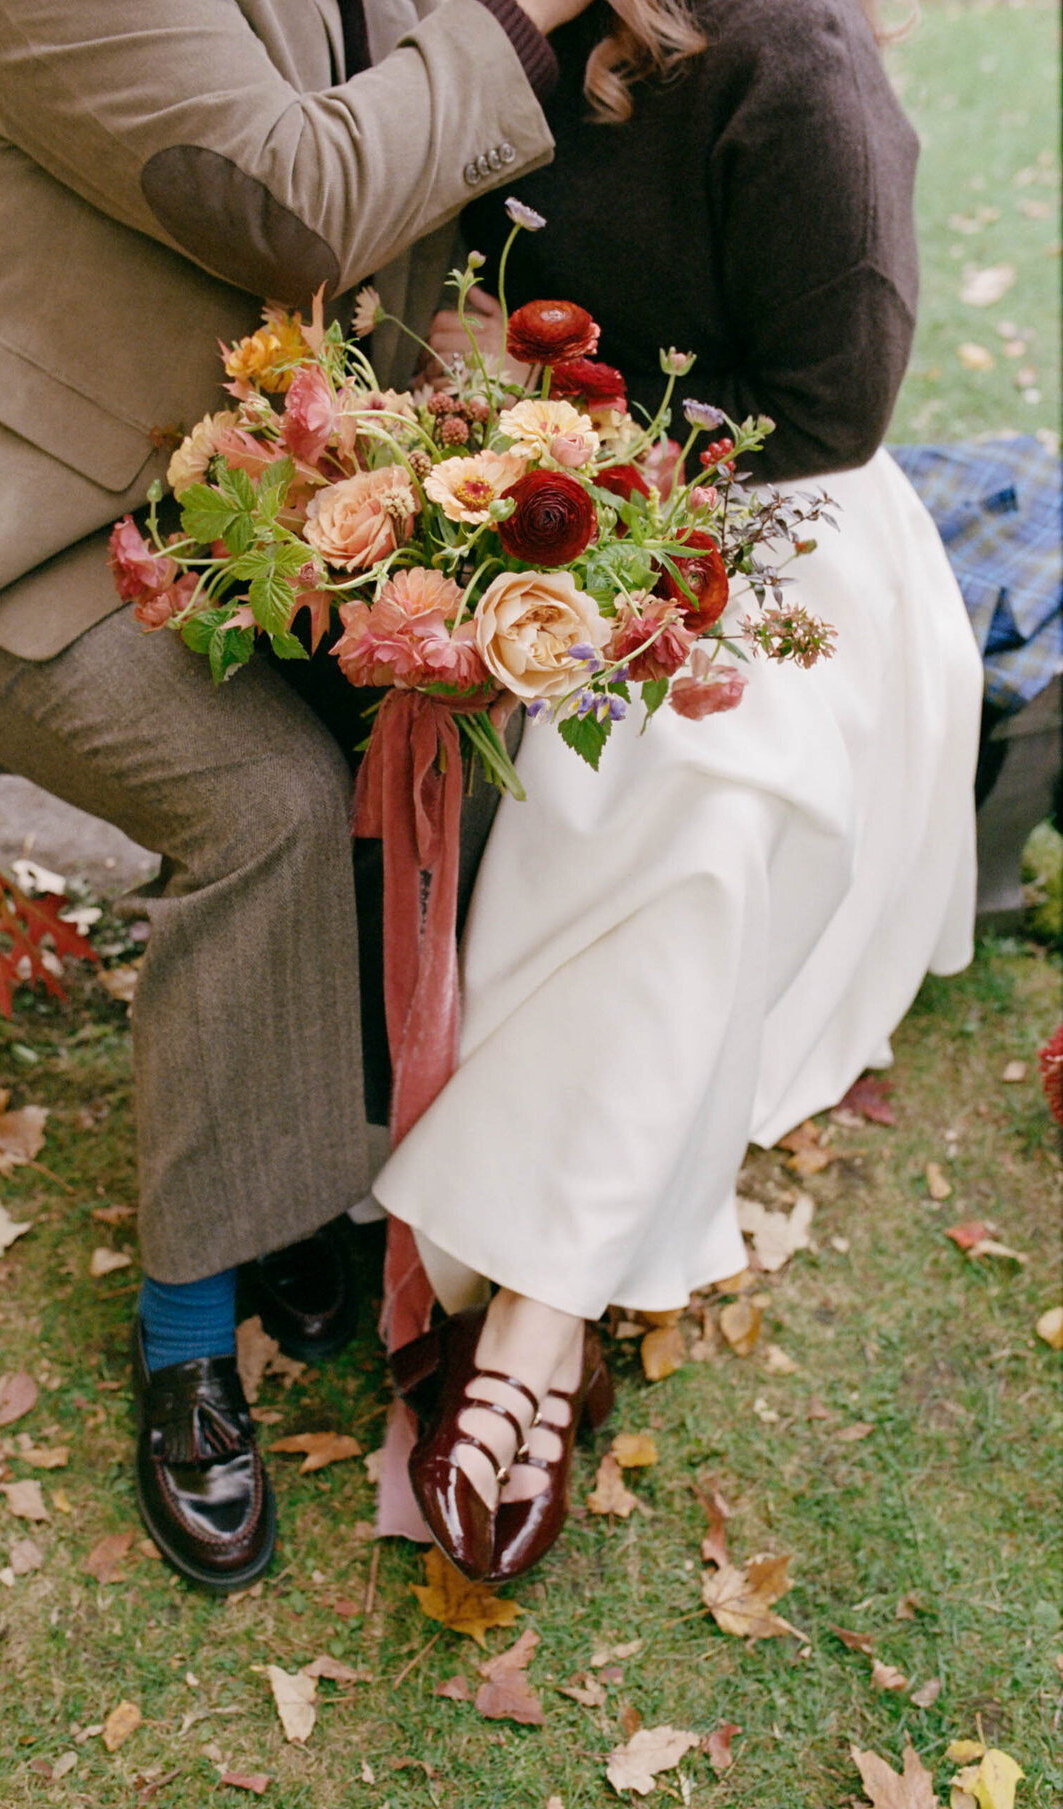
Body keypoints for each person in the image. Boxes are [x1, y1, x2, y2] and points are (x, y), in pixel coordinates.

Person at [0, 0, 598, 1592]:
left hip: (258, 517)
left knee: (425, 733)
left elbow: (414, 242)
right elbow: (298, 199)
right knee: (266, 801)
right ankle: (188, 1324)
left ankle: (312, 1195)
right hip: (30, 531)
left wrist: (467, 467)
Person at [370, 0, 983, 1581]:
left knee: (715, 785)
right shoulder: (475, 23)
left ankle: (538, 1307)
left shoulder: (796, 58)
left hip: (784, 548)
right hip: (545, 510)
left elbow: (838, 402)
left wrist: (615, 495)